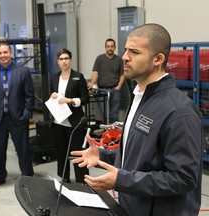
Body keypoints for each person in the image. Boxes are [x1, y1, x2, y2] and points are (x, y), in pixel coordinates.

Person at [72, 23, 202, 215]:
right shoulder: (140, 96)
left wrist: (122, 180)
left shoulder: (179, 112)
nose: (124, 57)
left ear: (158, 59)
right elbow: (141, 156)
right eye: (125, 50)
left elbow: (183, 178)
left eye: (134, 52)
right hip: (132, 207)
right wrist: (103, 155)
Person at [0, 42, 34, 190]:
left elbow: (29, 96)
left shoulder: (23, 72)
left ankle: (27, 177)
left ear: (10, 53)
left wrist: (26, 114)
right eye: (0, 53)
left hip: (18, 118)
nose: (3, 55)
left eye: (5, 52)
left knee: (23, 150)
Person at [49, 48, 89, 183]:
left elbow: (85, 99)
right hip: (58, 122)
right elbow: (51, 97)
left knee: (77, 153)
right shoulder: (54, 77)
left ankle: (81, 181)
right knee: (61, 153)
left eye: (66, 58)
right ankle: (64, 179)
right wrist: (53, 96)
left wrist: (70, 100)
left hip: (74, 122)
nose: (64, 61)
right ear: (57, 62)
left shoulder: (78, 77)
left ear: (71, 60)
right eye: (61, 59)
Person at [87, 38, 125, 123]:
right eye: (108, 46)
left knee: (114, 113)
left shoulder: (119, 60)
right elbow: (95, 72)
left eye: (112, 46)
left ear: (114, 47)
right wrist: (92, 83)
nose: (110, 48)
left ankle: (114, 133)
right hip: (102, 90)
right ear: (105, 47)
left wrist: (119, 86)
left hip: (115, 90)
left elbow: (122, 75)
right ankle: (107, 132)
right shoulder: (99, 59)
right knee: (105, 113)